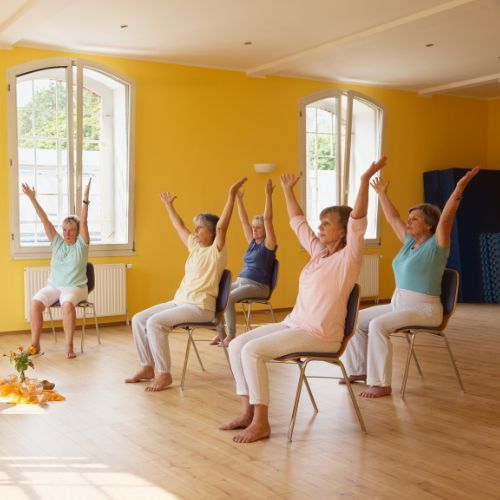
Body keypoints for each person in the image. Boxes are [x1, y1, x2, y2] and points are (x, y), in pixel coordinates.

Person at [220, 156, 387, 443]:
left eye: (326, 224)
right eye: (320, 223)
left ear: (343, 231)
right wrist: (287, 191)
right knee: (237, 344)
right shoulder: (319, 253)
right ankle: (247, 411)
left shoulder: (349, 259)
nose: (319, 228)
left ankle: (261, 422)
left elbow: (359, 219)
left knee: (252, 351)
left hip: (321, 335)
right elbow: (298, 222)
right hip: (295, 324)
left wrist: (362, 182)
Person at [342, 166, 480, 398]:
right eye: (410, 218)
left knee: (378, 325)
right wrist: (382, 194)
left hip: (425, 309)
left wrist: (458, 188)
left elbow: (446, 219)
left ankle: (382, 383)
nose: (409, 222)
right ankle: (359, 370)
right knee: (357, 320)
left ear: (429, 225)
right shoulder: (408, 243)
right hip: (400, 305)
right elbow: (393, 217)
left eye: (414, 219)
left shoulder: (437, 246)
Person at [125, 177, 247, 392]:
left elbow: (223, 227)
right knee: (138, 319)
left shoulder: (215, 251)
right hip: (180, 301)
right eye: (196, 228)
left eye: (200, 228)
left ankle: (164, 373)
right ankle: (147, 367)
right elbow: (178, 225)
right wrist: (169, 206)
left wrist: (231, 196)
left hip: (200, 307)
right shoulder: (195, 247)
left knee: (154, 323)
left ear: (211, 233)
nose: (195, 231)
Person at [23, 179, 92, 359]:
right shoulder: (57, 243)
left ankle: (69, 346)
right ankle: (35, 344)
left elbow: (84, 222)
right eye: (65, 229)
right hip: (55, 286)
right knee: (35, 303)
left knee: (67, 303)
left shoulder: (81, 246)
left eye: (71, 230)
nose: (67, 233)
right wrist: (32, 198)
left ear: (78, 232)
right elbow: (45, 221)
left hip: (76, 287)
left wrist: (85, 199)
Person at [213, 180, 277, 347]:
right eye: (254, 227)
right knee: (215, 293)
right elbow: (243, 221)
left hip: (259, 286)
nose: (254, 230)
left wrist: (268, 195)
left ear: (266, 230)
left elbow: (269, 219)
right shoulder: (252, 242)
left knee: (229, 298)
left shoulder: (269, 244)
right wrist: (239, 199)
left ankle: (232, 336)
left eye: (258, 228)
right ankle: (221, 333)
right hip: (242, 281)